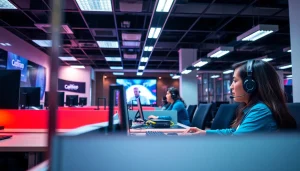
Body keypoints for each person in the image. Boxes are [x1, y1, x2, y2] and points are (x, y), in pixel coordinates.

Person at [185, 59, 296, 135]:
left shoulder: (260, 110)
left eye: (235, 81)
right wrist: (204, 133)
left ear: (250, 85)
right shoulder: (252, 108)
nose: (231, 86)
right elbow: (235, 132)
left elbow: (234, 144)